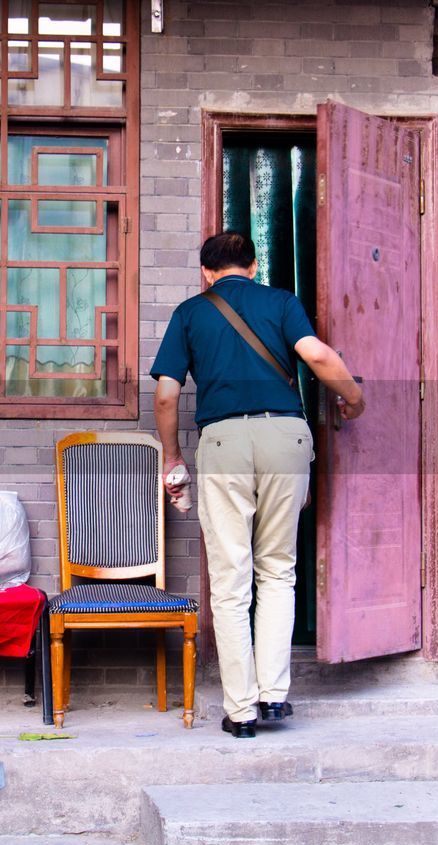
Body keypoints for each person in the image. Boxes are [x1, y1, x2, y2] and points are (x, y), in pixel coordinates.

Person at [150, 231, 365, 739]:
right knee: (278, 571)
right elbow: (320, 358)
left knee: (230, 581)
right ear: (253, 265)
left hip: (224, 441)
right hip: (284, 436)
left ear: (206, 272)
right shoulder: (282, 302)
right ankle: (274, 697)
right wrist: (354, 401)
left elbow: (164, 396)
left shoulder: (189, 313)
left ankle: (241, 710)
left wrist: (174, 459)